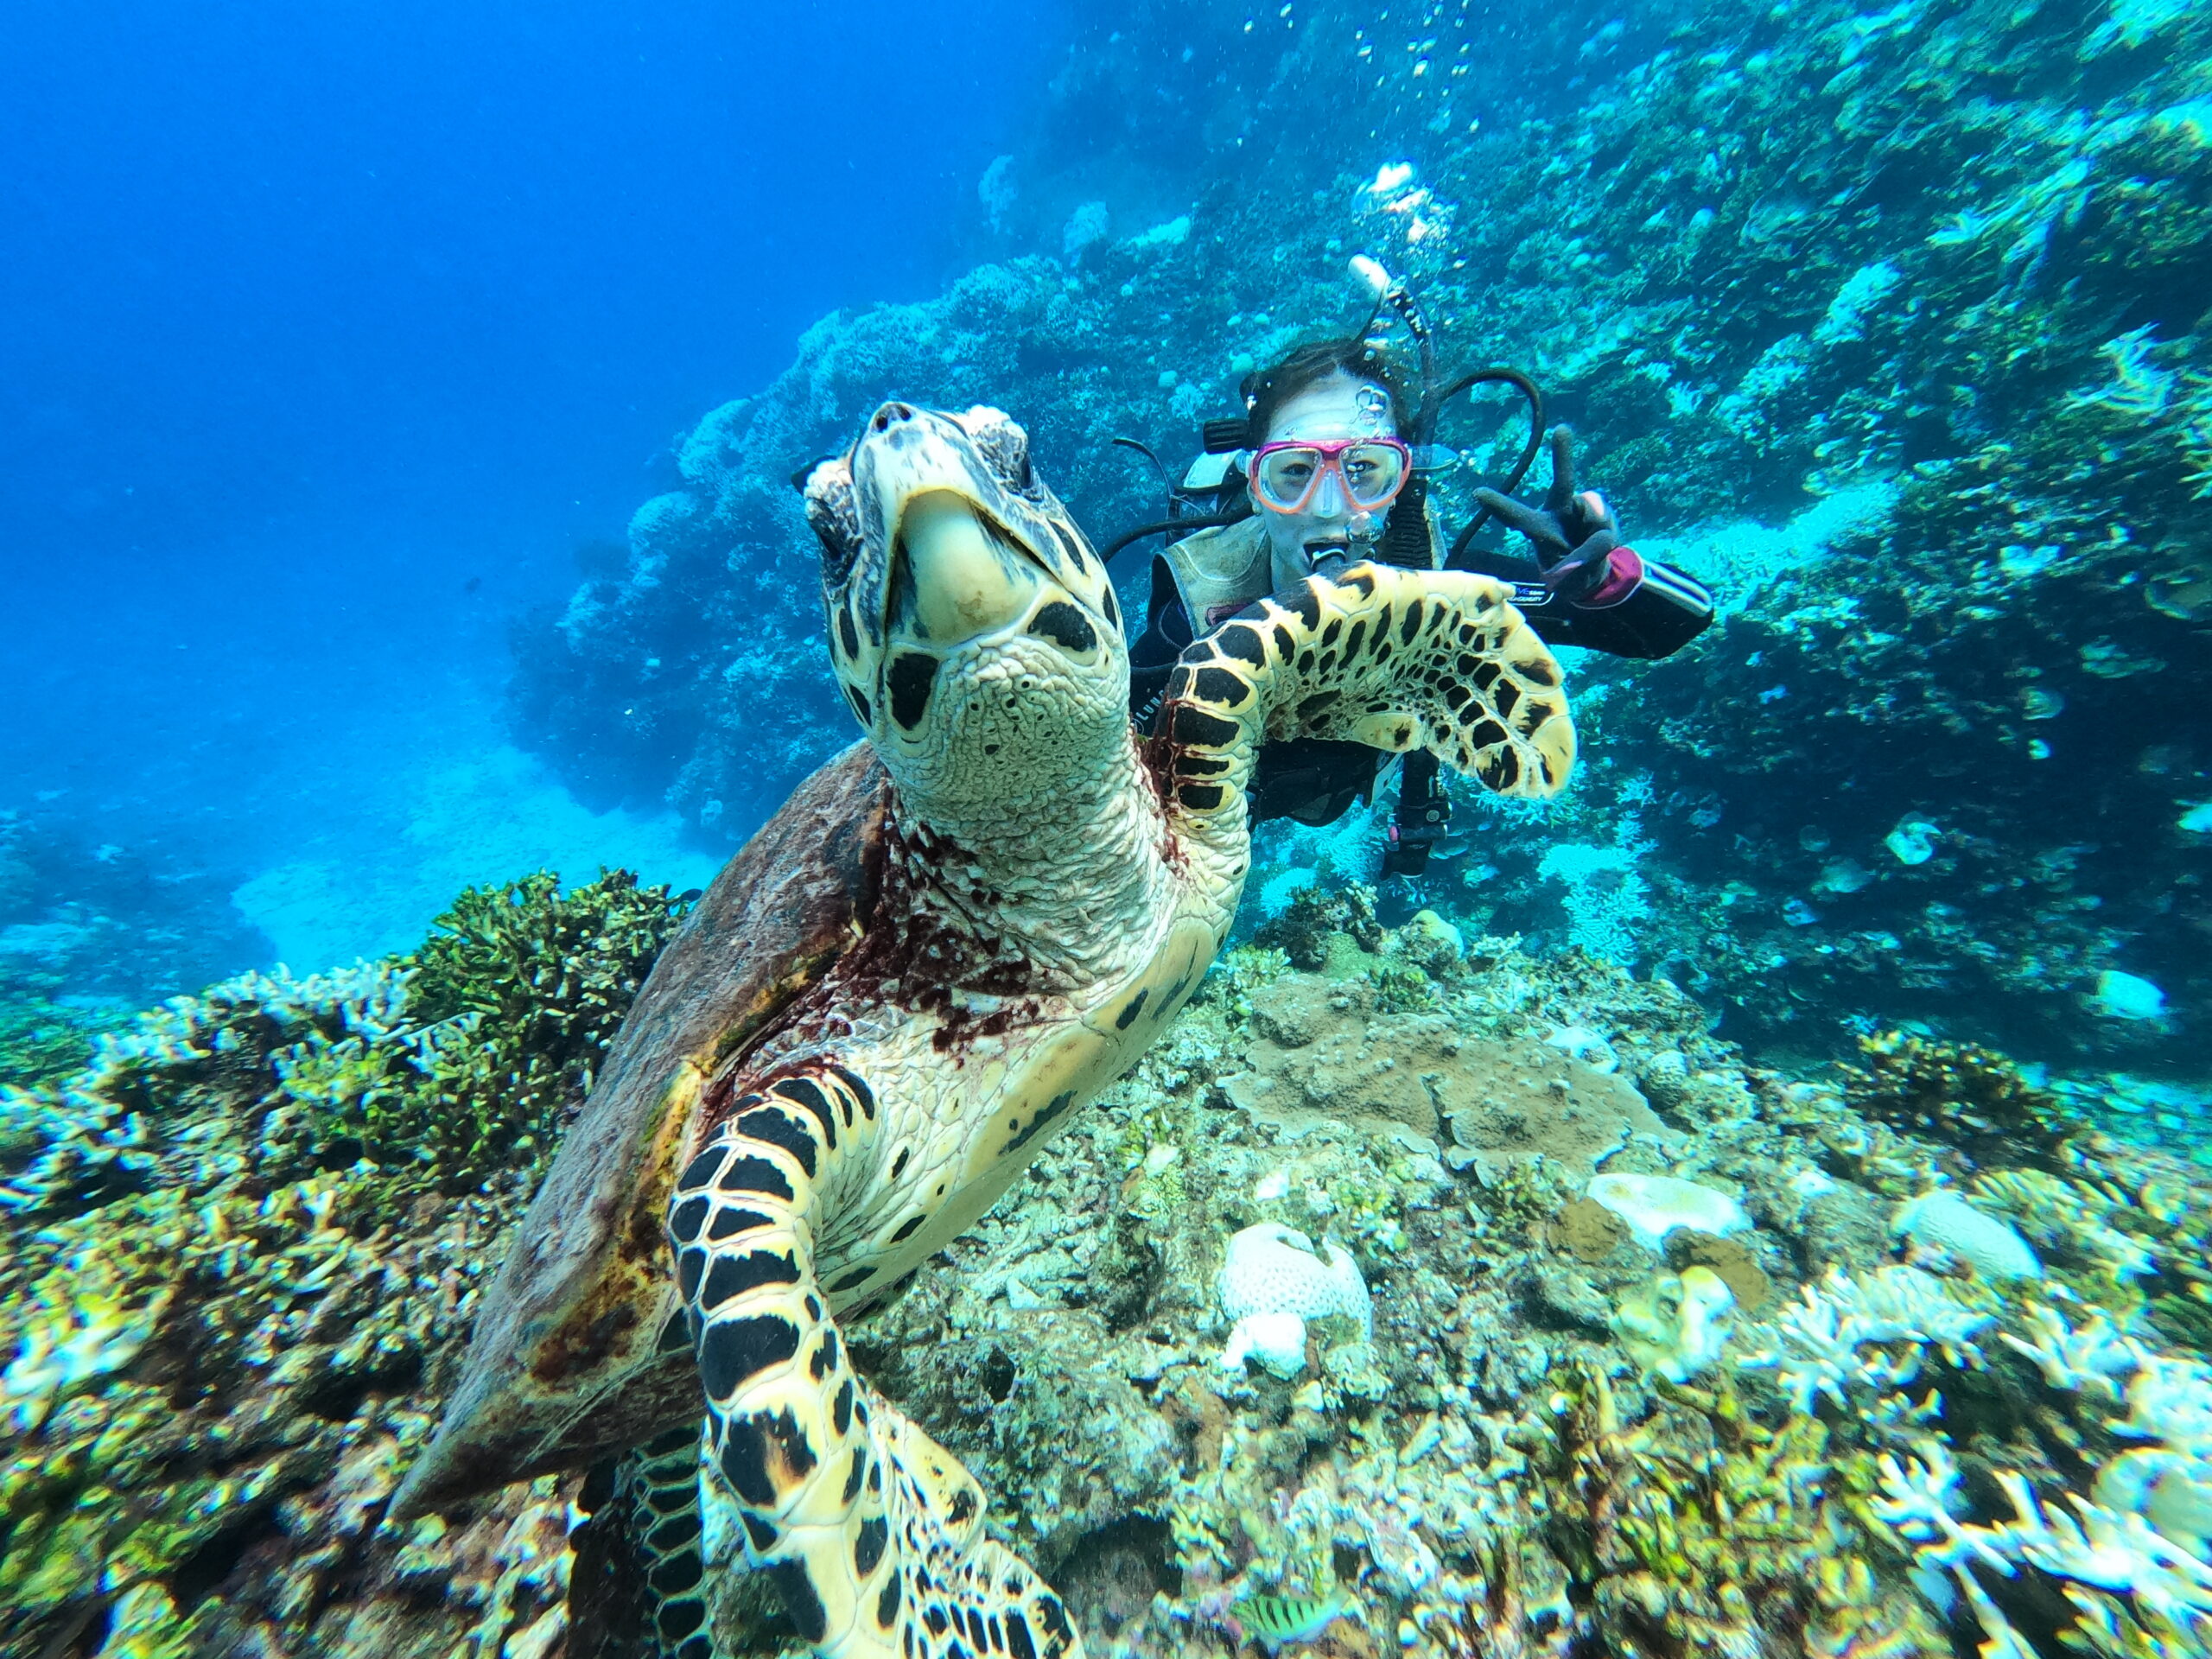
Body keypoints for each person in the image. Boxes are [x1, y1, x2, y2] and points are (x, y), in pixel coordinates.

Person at [1126, 333, 1712, 874]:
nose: (1331, 506)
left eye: (1364, 471)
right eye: (1295, 471)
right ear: (1256, 485)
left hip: (1349, 780)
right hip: (1223, 805)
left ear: (1400, 483)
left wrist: (1601, 584)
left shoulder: (1438, 592)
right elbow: (1115, 751)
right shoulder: (1203, 601)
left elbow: (1677, 626)